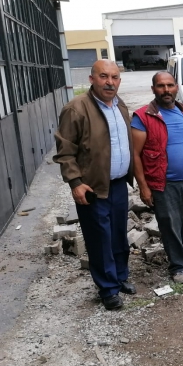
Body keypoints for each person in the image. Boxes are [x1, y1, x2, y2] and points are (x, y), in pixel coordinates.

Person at [54, 60, 135, 311]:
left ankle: (120, 277)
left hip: (119, 184)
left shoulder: (119, 105)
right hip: (92, 187)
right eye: (104, 76)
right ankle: (108, 289)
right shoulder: (76, 109)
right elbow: (65, 152)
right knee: (99, 238)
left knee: (119, 235)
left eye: (115, 77)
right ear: (92, 79)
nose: (110, 82)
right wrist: (75, 183)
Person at [131, 72, 183, 284]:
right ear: (153, 89)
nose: (166, 90)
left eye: (170, 85)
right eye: (160, 86)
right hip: (162, 184)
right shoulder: (143, 117)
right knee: (171, 226)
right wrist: (143, 187)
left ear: (176, 87)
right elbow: (135, 156)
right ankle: (178, 268)